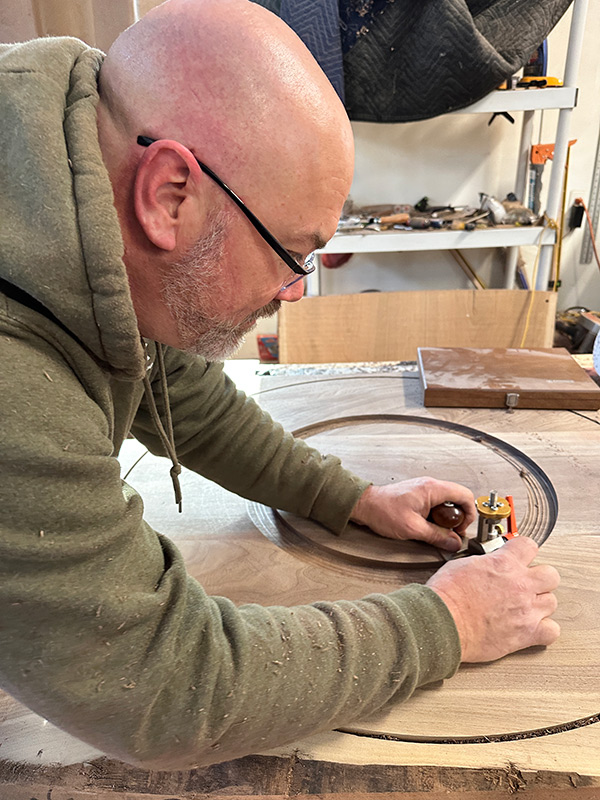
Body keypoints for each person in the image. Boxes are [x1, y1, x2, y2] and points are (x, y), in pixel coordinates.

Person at [0, 0, 559, 771]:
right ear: (169, 194)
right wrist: (452, 621)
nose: (296, 292)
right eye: (293, 253)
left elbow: (176, 389)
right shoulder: (14, 374)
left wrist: (352, 498)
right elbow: (167, 685)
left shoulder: (67, 161)